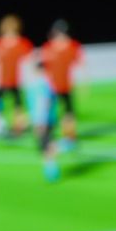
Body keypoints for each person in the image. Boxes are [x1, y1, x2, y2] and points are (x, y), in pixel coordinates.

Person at [0, 14, 34, 136]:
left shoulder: (22, 43)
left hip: (17, 80)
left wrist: (30, 79)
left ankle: (18, 126)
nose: (10, 31)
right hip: (1, 81)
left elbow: (30, 61)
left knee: (18, 104)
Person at [40, 19, 85, 150]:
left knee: (68, 112)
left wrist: (82, 84)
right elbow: (42, 67)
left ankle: (69, 137)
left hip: (66, 86)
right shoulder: (48, 47)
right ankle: (47, 135)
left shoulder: (72, 46)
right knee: (49, 113)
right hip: (51, 88)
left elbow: (80, 66)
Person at [27, 52, 63, 182]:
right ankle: (50, 167)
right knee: (45, 144)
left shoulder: (40, 84)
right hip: (48, 118)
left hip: (42, 119)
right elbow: (52, 100)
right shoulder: (47, 83)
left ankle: (51, 168)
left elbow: (44, 102)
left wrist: (40, 120)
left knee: (44, 145)